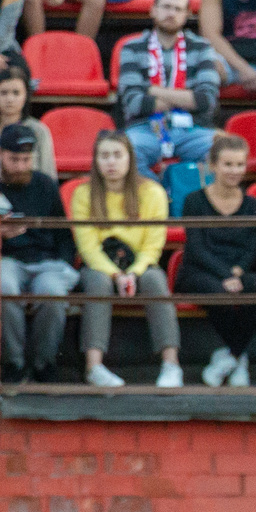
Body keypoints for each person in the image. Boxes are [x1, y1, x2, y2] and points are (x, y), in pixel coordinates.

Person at [66, 129, 179, 389]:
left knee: (155, 280)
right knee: (98, 284)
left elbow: (153, 244)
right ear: (95, 160)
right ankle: (94, 367)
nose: (111, 162)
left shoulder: (152, 192)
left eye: (118, 155)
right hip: (99, 265)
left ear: (130, 158)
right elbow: (88, 248)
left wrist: (134, 273)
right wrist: (116, 274)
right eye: (104, 156)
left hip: (139, 263)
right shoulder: (83, 194)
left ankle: (171, 364)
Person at [0, 122, 73, 385]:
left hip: (45, 260)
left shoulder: (45, 185)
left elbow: (64, 233)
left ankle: (44, 363)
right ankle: (13, 362)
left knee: (53, 293)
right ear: (0, 155)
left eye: (26, 159)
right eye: (14, 159)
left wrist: (63, 263)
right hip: (5, 259)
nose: (20, 166)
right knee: (5, 287)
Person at [115, 0, 222, 176]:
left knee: (221, 153)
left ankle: (190, 203)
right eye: (166, 7)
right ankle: (159, 201)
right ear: (153, 10)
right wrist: (187, 99)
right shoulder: (132, 48)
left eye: (178, 9)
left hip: (192, 128)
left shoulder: (202, 47)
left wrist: (151, 89)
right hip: (145, 128)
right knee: (128, 152)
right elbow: (133, 103)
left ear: (187, 14)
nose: (171, 13)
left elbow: (206, 100)